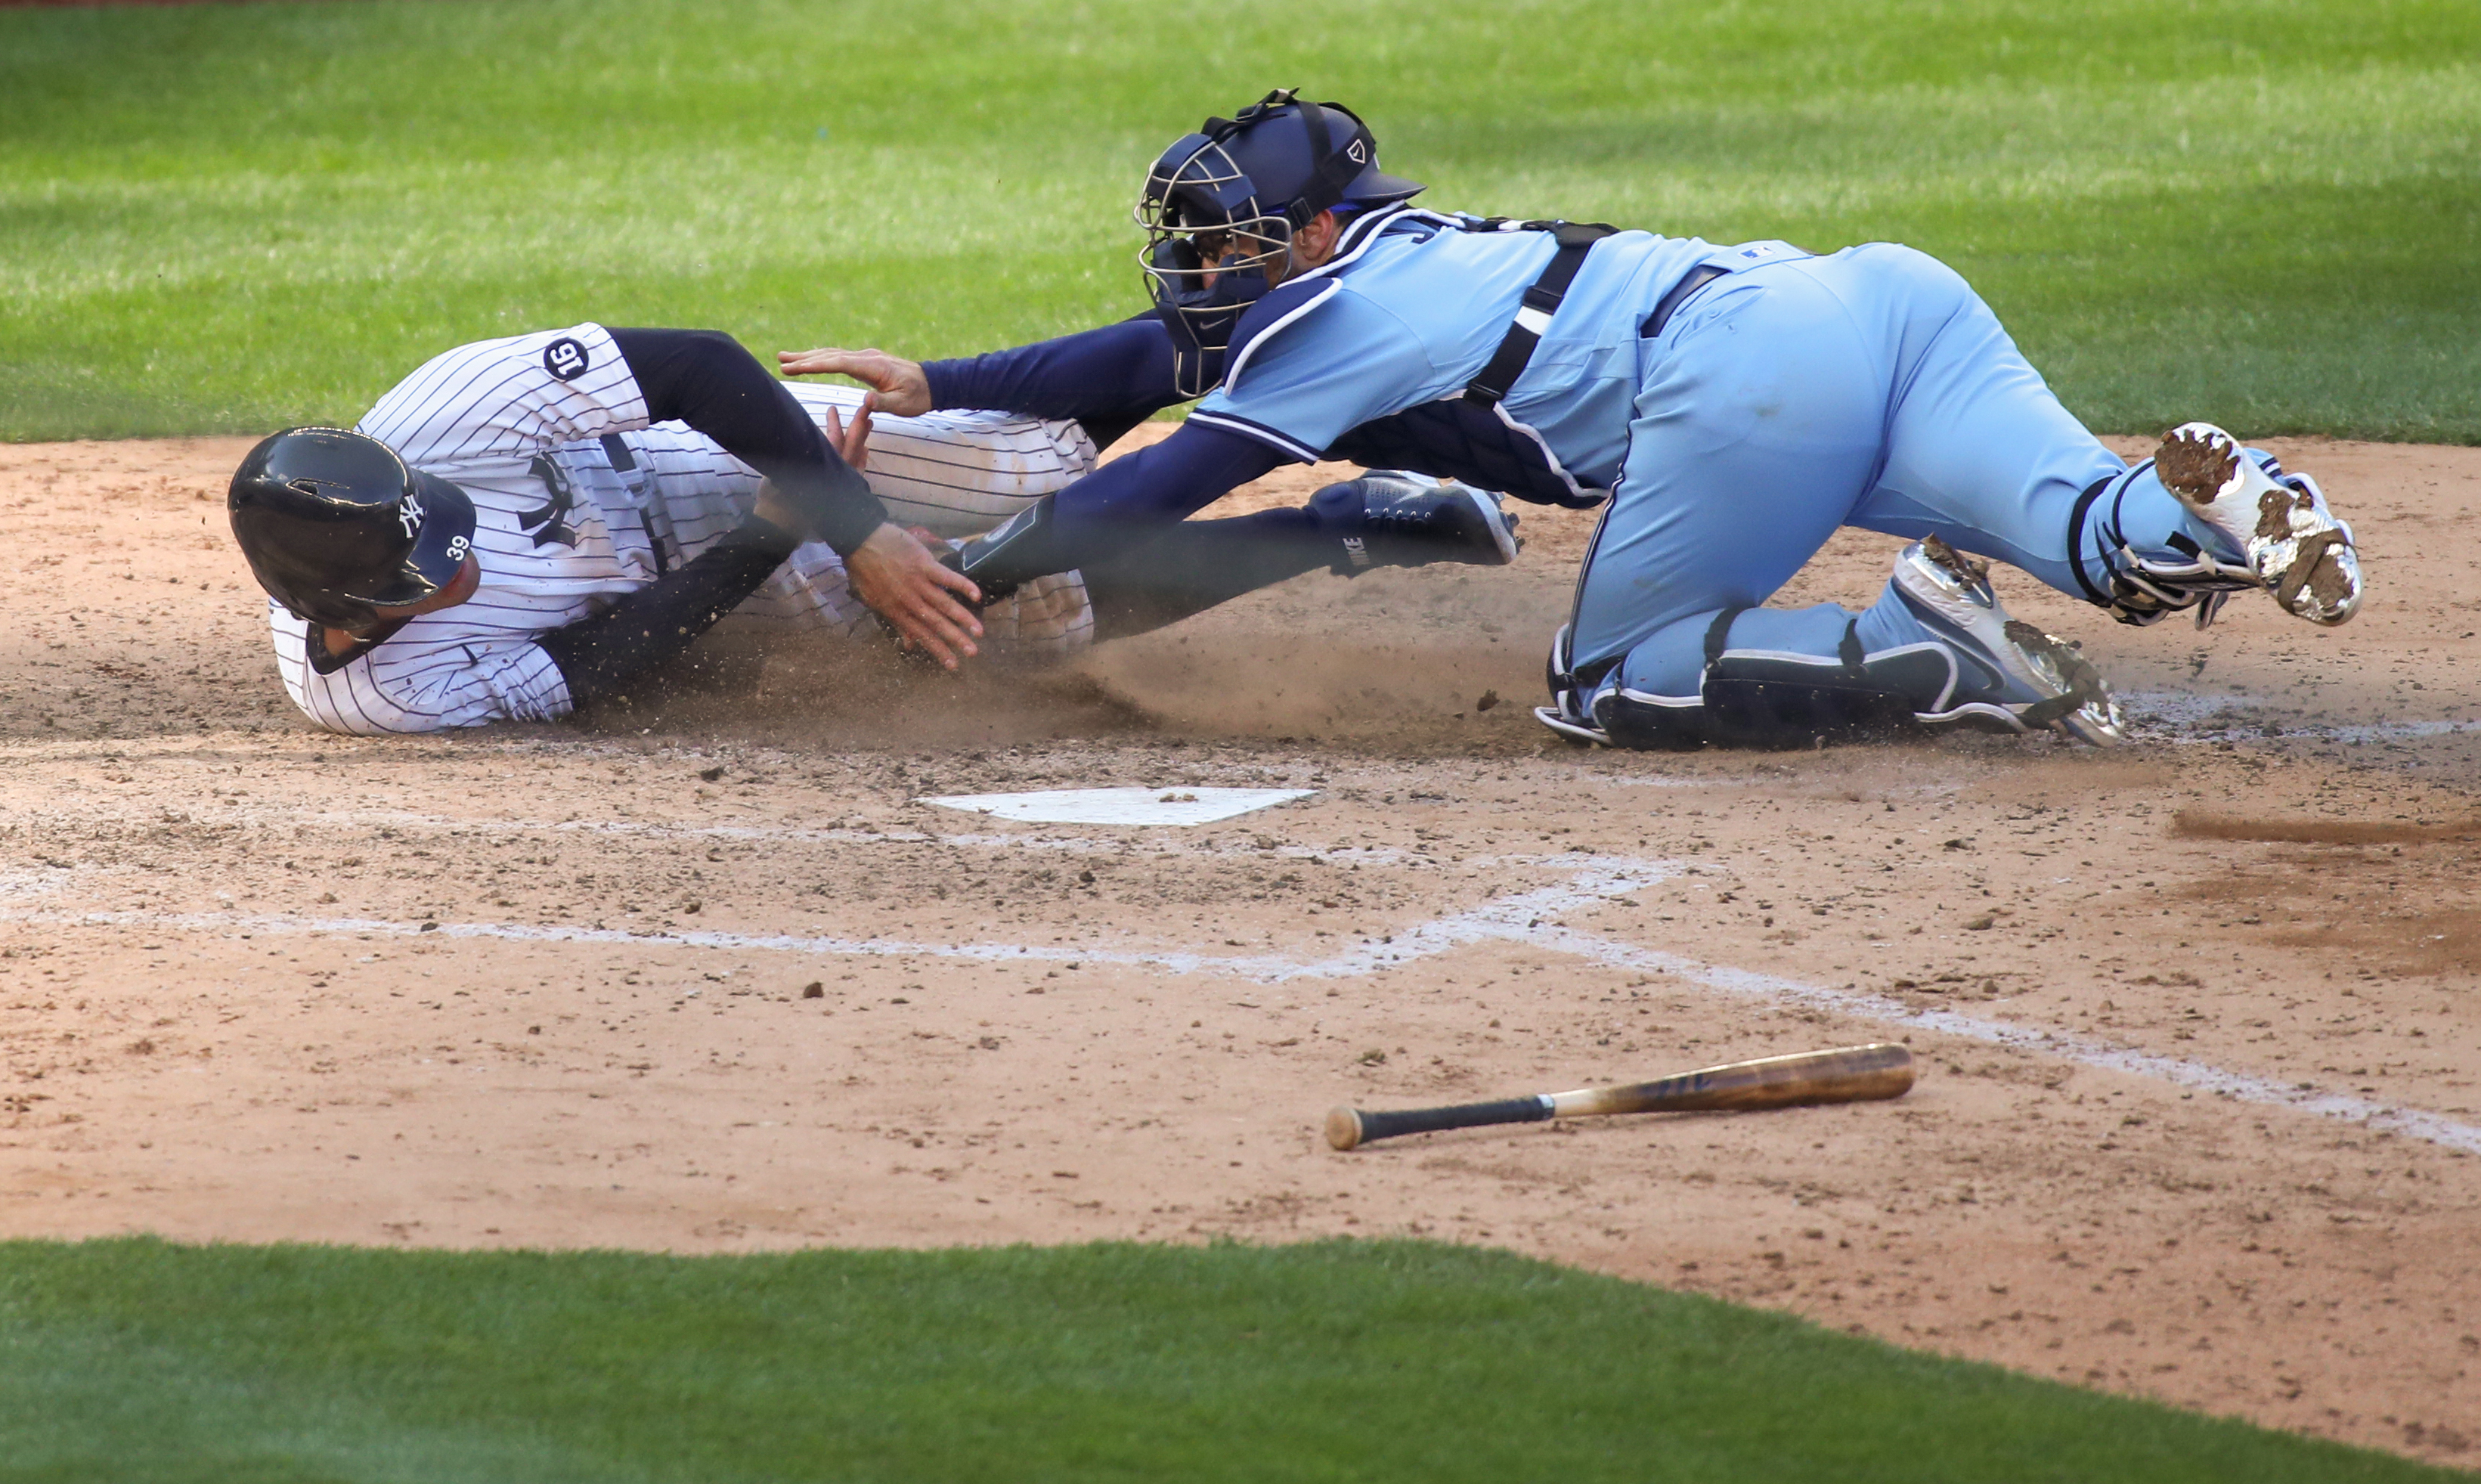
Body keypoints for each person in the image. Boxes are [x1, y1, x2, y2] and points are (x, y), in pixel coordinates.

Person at [785, 89, 2363, 749]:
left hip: (1748, 385)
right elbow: (1149, 360)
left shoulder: (1337, 317)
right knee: (2100, 540)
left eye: (1231, 242)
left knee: (1608, 684)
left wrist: (935, 577)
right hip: (1878, 303)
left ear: (1313, 236)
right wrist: (951, 382)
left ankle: (1934, 652)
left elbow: (1158, 487)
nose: (1207, 267)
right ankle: (2223, 500)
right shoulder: (1388, 270)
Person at [228, 322, 1519, 736]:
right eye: (427, 577)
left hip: (738, 454)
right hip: (722, 579)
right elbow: (589, 673)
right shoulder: (378, 694)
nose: (455, 570)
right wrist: (765, 549)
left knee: (1037, 457)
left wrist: (841, 523)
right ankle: (1350, 524)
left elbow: (692, 366)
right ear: (347, 610)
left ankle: (1270, 332)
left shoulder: (438, 414)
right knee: (1019, 624)